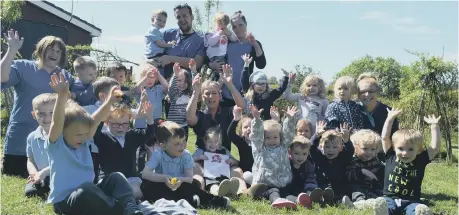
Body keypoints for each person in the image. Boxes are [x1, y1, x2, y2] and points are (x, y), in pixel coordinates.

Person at [45, 73, 142, 215]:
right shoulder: (56, 145)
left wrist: (108, 101)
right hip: (66, 202)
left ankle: (130, 207)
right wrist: (61, 96)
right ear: (63, 132)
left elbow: (95, 120)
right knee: (86, 190)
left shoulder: (84, 140)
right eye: (79, 135)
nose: (84, 138)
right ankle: (118, 211)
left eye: (86, 134)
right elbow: (57, 123)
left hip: (91, 193)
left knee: (116, 177)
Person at [1, 30, 75, 178]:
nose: (54, 53)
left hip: (51, 144)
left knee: (45, 179)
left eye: (58, 51)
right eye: (50, 49)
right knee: (12, 175)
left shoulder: (66, 77)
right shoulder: (22, 67)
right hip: (19, 140)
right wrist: (12, 50)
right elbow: (2, 77)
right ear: (41, 50)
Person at [140, 121, 231, 209]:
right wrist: (164, 178)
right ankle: (188, 200)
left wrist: (180, 180)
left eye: (183, 141)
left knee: (193, 186)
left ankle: (216, 201)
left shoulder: (186, 155)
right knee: (147, 185)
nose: (182, 146)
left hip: (182, 185)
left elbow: (189, 178)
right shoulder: (158, 154)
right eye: (177, 144)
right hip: (163, 185)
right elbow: (145, 173)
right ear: (163, 146)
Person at [93, 92, 154, 200]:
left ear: (129, 122)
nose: (120, 128)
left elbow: (148, 134)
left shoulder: (132, 135)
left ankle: (125, 202)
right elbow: (95, 131)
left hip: (130, 177)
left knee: (136, 192)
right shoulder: (103, 137)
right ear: (107, 123)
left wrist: (149, 118)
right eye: (115, 124)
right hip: (109, 179)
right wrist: (103, 113)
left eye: (124, 124)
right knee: (115, 193)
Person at [380, 108, 441, 215]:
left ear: (419, 150)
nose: (405, 153)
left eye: (411, 149)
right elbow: (385, 137)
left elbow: (435, 147)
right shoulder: (390, 156)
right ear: (394, 147)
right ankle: (383, 211)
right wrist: (390, 118)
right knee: (384, 205)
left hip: (412, 201)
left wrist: (434, 126)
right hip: (389, 198)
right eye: (401, 148)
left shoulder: (420, 160)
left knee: (416, 209)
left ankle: (421, 213)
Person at [249, 105, 310, 209]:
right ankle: (277, 201)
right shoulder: (260, 148)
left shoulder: (283, 146)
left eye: (275, 137)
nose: (272, 140)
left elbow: (288, 134)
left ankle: (297, 200)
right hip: (265, 184)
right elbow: (256, 135)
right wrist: (257, 120)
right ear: (263, 138)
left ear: (279, 137)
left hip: (283, 183)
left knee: (286, 193)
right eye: (268, 137)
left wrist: (290, 119)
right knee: (274, 192)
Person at [208, 11, 266, 107]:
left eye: (240, 25)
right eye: (234, 27)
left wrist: (255, 43)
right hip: (224, 94)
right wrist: (212, 65)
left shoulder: (253, 44)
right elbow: (209, 56)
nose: (238, 29)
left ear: (246, 24)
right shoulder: (226, 42)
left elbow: (261, 64)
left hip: (244, 94)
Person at [186, 65, 245, 151]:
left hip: (224, 156)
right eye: (207, 94)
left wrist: (229, 84)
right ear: (202, 97)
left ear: (220, 96)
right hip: (203, 156)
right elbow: (190, 117)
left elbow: (240, 107)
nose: (210, 96)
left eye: (214, 93)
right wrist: (196, 91)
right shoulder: (200, 115)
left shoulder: (227, 112)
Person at [83, 77, 121, 183]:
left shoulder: (120, 109)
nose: (120, 96)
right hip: (93, 151)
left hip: (111, 150)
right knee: (93, 177)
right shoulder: (88, 110)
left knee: (110, 175)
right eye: (116, 94)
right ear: (103, 96)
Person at [157, 3, 205, 81]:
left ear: (192, 17)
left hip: (186, 87)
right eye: (178, 17)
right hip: (163, 85)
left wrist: (170, 59)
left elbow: (197, 63)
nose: (182, 19)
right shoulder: (167, 34)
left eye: (185, 16)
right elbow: (151, 48)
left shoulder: (201, 39)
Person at [309, 121, 353, 204]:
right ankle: (320, 199)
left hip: (338, 187)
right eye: (327, 146)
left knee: (339, 192)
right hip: (322, 185)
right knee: (319, 189)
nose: (331, 150)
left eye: (335, 147)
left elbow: (350, 151)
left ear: (340, 148)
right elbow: (311, 148)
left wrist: (346, 140)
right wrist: (316, 135)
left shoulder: (342, 157)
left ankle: (338, 200)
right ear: (321, 146)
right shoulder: (320, 157)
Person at [192, 126, 241, 197]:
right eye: (209, 141)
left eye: (216, 141)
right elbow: (190, 160)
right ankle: (218, 193)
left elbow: (237, 162)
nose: (212, 144)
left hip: (223, 175)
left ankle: (234, 191)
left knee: (226, 182)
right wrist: (199, 157)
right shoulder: (201, 151)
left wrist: (232, 161)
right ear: (205, 141)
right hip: (209, 176)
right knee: (213, 185)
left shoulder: (224, 151)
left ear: (220, 142)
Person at [24, 93, 57, 199]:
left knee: (57, 187)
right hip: (41, 175)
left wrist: (43, 173)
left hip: (60, 173)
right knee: (30, 192)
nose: (47, 118)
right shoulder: (32, 137)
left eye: (51, 112)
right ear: (34, 115)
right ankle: (43, 184)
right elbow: (30, 159)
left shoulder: (63, 135)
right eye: (41, 114)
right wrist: (34, 174)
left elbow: (64, 161)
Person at [344, 129, 386, 210]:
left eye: (372, 149)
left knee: (376, 193)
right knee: (357, 191)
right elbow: (348, 175)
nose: (369, 152)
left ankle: (376, 202)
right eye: (365, 149)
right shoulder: (353, 160)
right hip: (354, 186)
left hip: (368, 186)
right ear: (355, 147)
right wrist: (362, 171)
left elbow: (382, 168)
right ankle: (359, 203)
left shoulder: (375, 160)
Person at [241, 54, 289, 120]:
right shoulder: (249, 95)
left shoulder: (270, 95)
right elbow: (244, 81)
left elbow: (281, 89)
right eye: (258, 83)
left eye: (263, 84)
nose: (261, 86)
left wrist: (286, 77)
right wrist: (246, 65)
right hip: (251, 123)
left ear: (266, 85)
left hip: (266, 124)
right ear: (252, 85)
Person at [133, 63, 169, 129]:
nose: (149, 80)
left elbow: (167, 87)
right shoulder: (141, 89)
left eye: (152, 77)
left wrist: (159, 75)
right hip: (141, 125)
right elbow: (136, 88)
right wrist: (145, 77)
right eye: (147, 77)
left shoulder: (158, 89)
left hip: (156, 124)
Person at [204, 12, 237, 81]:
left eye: (225, 25)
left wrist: (229, 33)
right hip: (214, 57)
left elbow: (234, 39)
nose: (223, 27)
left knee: (222, 72)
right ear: (216, 22)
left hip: (223, 56)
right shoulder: (211, 32)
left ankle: (220, 83)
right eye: (220, 24)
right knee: (216, 73)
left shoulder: (226, 32)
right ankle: (215, 83)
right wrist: (218, 35)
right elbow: (211, 42)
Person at [228, 106, 254, 185]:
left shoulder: (261, 142)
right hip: (247, 172)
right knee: (247, 176)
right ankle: (254, 186)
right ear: (241, 132)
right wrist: (236, 119)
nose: (249, 129)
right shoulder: (242, 142)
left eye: (252, 127)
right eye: (245, 127)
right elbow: (230, 133)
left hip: (260, 171)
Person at [167, 62, 193, 141]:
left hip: (184, 126)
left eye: (185, 81)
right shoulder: (174, 96)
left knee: (182, 145)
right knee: (170, 145)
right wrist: (175, 74)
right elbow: (171, 88)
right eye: (179, 80)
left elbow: (196, 86)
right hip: (172, 126)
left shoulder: (189, 96)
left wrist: (193, 70)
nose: (182, 83)